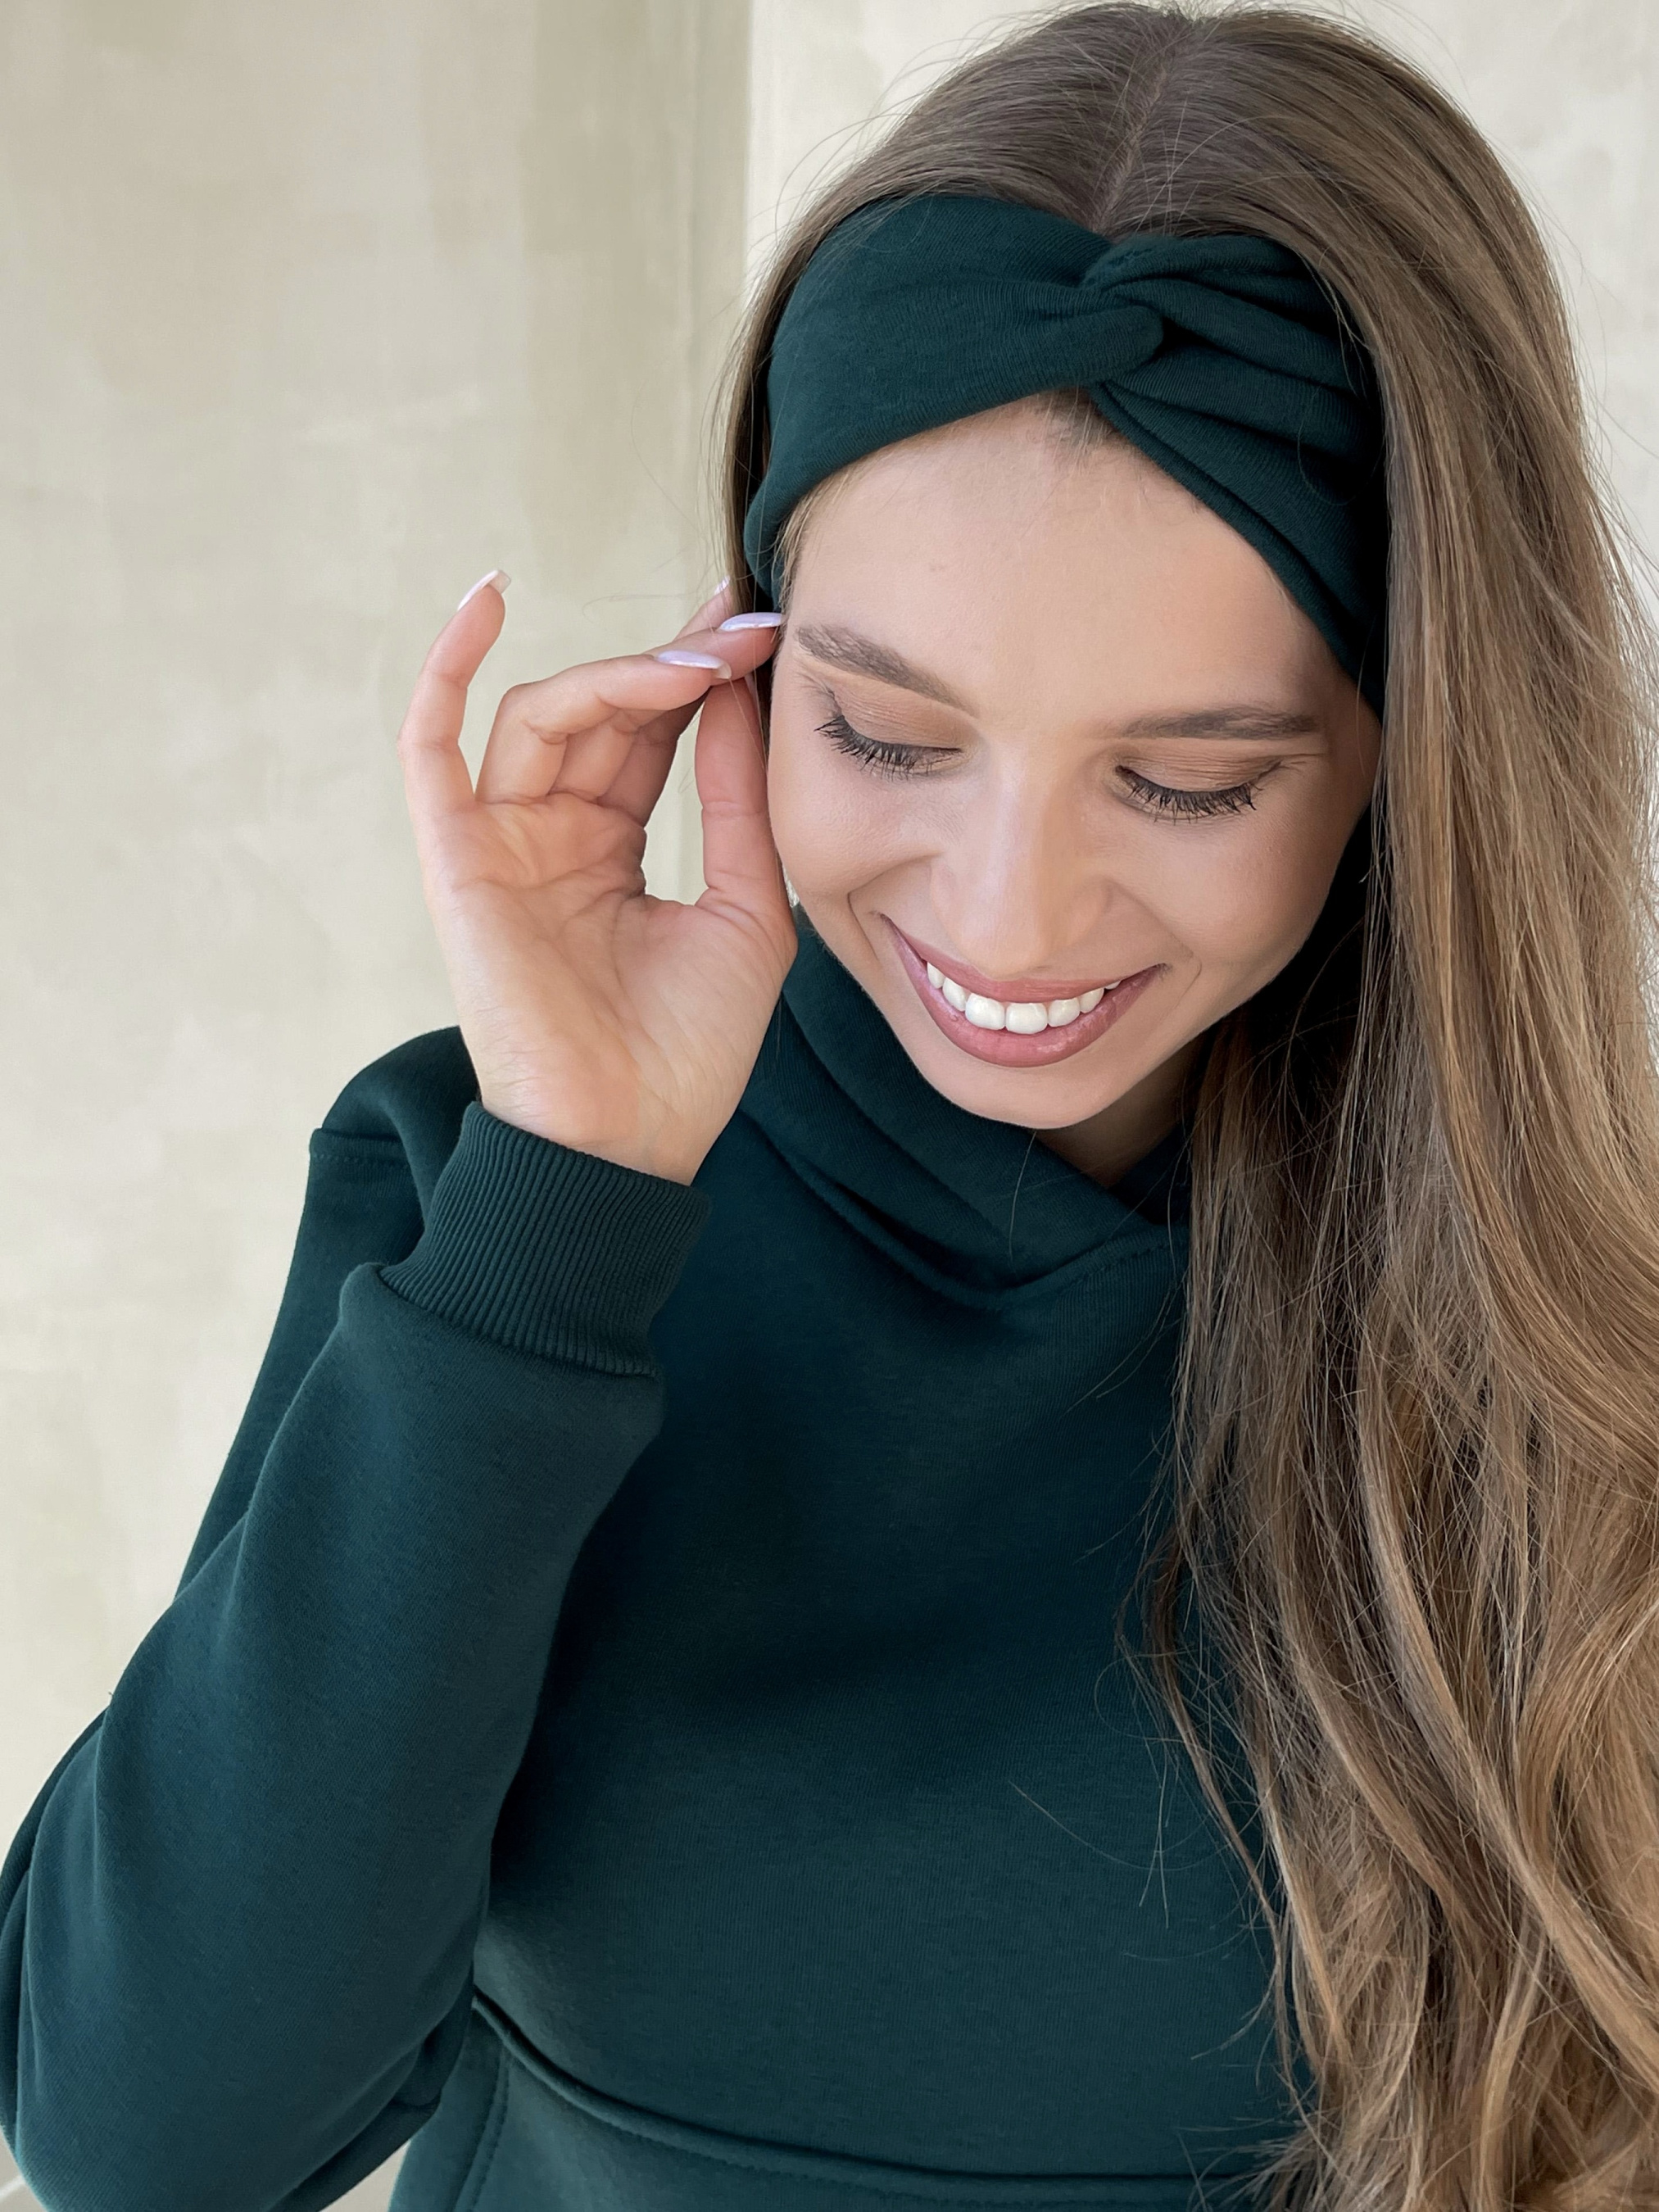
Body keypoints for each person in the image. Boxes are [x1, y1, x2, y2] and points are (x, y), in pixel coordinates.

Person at [5, 5, 1659, 2209]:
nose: (1009, 910)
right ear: (748, 664)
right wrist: (562, 1203)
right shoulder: (496, 1201)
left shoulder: (1583, 1333)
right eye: (887, 734)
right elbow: (147, 2141)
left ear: (1411, 752)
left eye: (1186, 778)